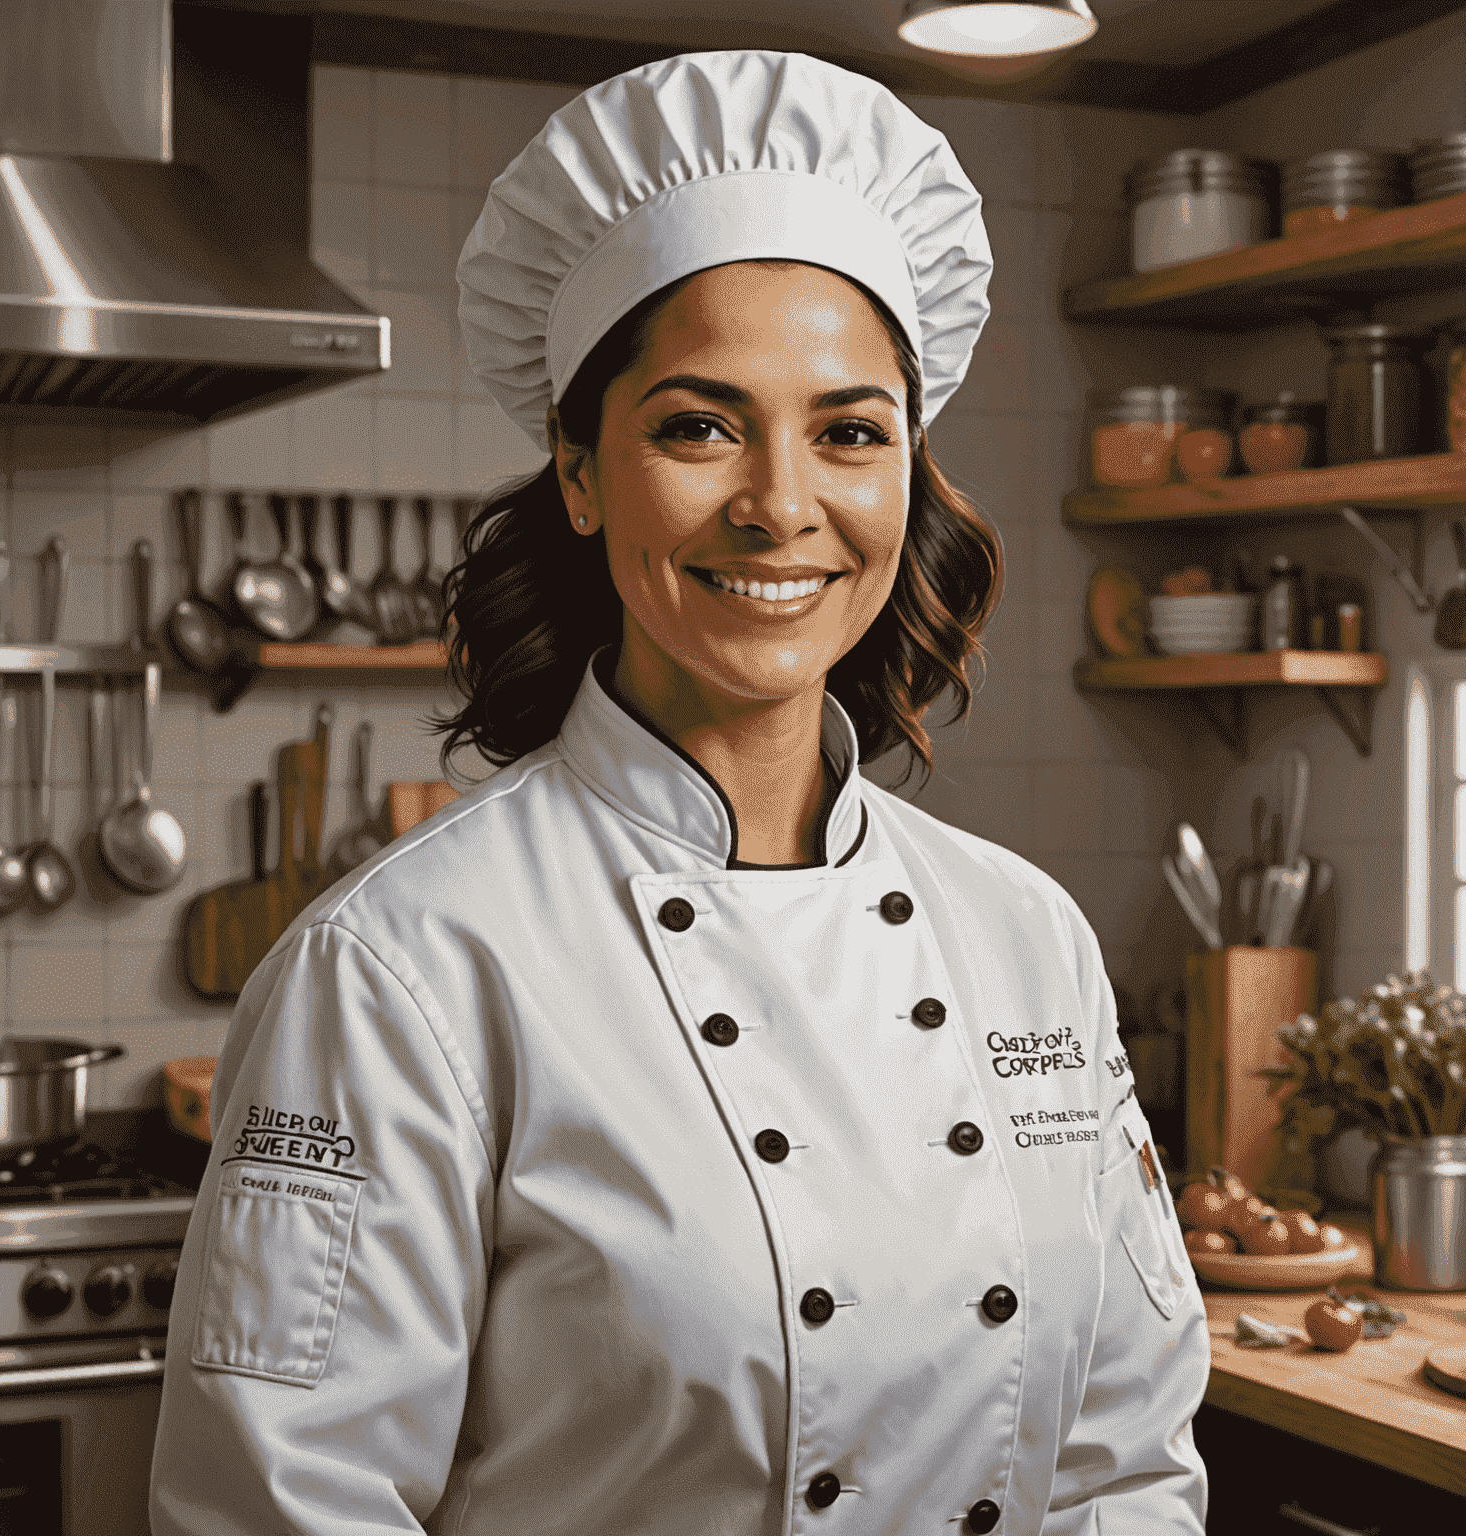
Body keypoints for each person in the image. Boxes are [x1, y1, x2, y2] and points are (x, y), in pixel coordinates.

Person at [149, 49, 1209, 1536]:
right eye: (700, 426)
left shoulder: (1025, 938)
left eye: (849, 431)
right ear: (580, 472)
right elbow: (285, 1516)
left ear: (908, 476)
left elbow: (1129, 1458)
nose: (782, 504)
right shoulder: (403, 975)